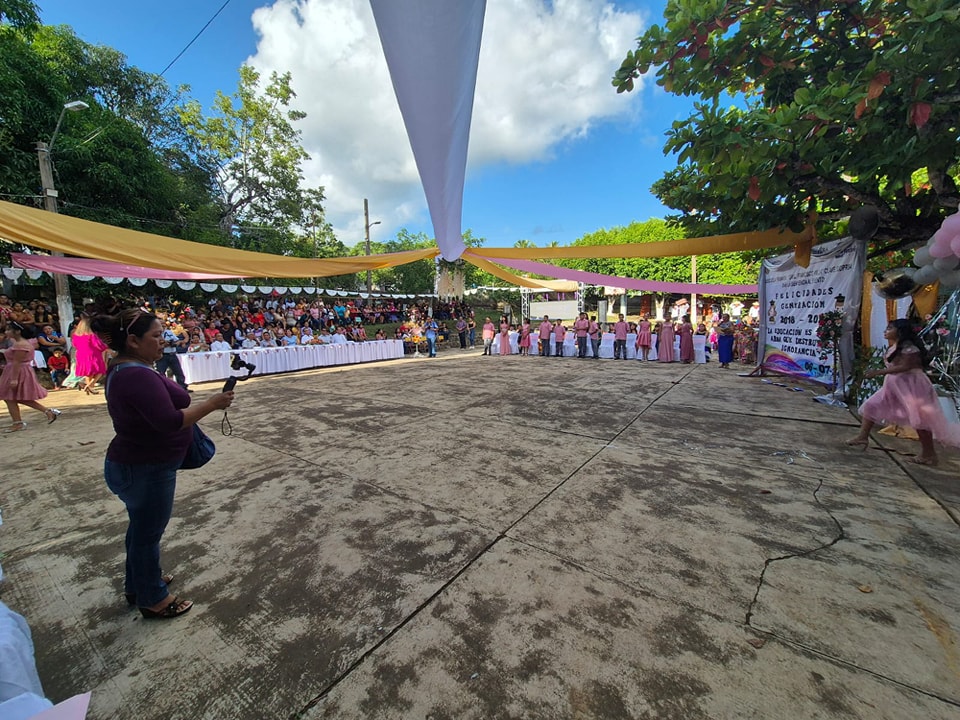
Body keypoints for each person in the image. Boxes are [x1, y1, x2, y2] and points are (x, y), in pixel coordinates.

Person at [92, 308, 234, 619]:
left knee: (141, 531)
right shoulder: (135, 375)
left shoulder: (127, 368)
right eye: (156, 336)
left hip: (139, 464)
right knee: (147, 535)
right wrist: (211, 404)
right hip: (145, 468)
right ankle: (153, 598)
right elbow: (169, 422)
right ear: (132, 340)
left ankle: (140, 582)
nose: (162, 342)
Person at [846, 319, 960, 466]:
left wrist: (878, 372)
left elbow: (905, 366)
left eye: (890, 328)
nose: (885, 331)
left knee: (920, 420)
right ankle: (862, 436)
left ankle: (929, 454)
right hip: (895, 385)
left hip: (913, 386)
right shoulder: (896, 346)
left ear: (900, 331)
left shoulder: (909, 347)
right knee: (871, 406)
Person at [0, 322, 61, 431]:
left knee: (10, 397)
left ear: (17, 331)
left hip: (18, 371)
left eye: (8, 329)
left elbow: (17, 362)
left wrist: (14, 379)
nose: (6, 332)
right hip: (16, 370)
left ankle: (18, 423)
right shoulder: (18, 342)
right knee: (14, 397)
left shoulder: (21, 345)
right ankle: (47, 412)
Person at [72, 314, 109, 394]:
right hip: (93, 354)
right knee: (100, 370)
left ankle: (89, 387)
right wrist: (107, 347)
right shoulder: (92, 336)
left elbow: (75, 345)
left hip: (81, 355)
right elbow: (99, 345)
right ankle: (90, 385)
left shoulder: (76, 336)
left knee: (88, 372)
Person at [157, 321, 189, 391]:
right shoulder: (157, 334)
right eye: (161, 325)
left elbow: (177, 340)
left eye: (163, 325)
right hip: (163, 355)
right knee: (161, 372)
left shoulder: (169, 332)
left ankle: (182, 387)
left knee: (178, 371)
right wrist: (164, 344)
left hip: (172, 354)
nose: (163, 326)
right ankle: (163, 388)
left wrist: (175, 343)